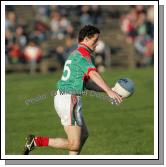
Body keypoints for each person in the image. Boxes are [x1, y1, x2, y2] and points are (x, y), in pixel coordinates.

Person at [23, 25, 122, 155]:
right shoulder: (83, 55)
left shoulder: (75, 54)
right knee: (74, 144)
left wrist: (110, 90)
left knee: (83, 135)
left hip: (65, 98)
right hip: (69, 99)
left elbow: (88, 84)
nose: (97, 43)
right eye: (95, 40)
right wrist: (109, 91)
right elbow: (93, 74)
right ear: (86, 39)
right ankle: (36, 141)